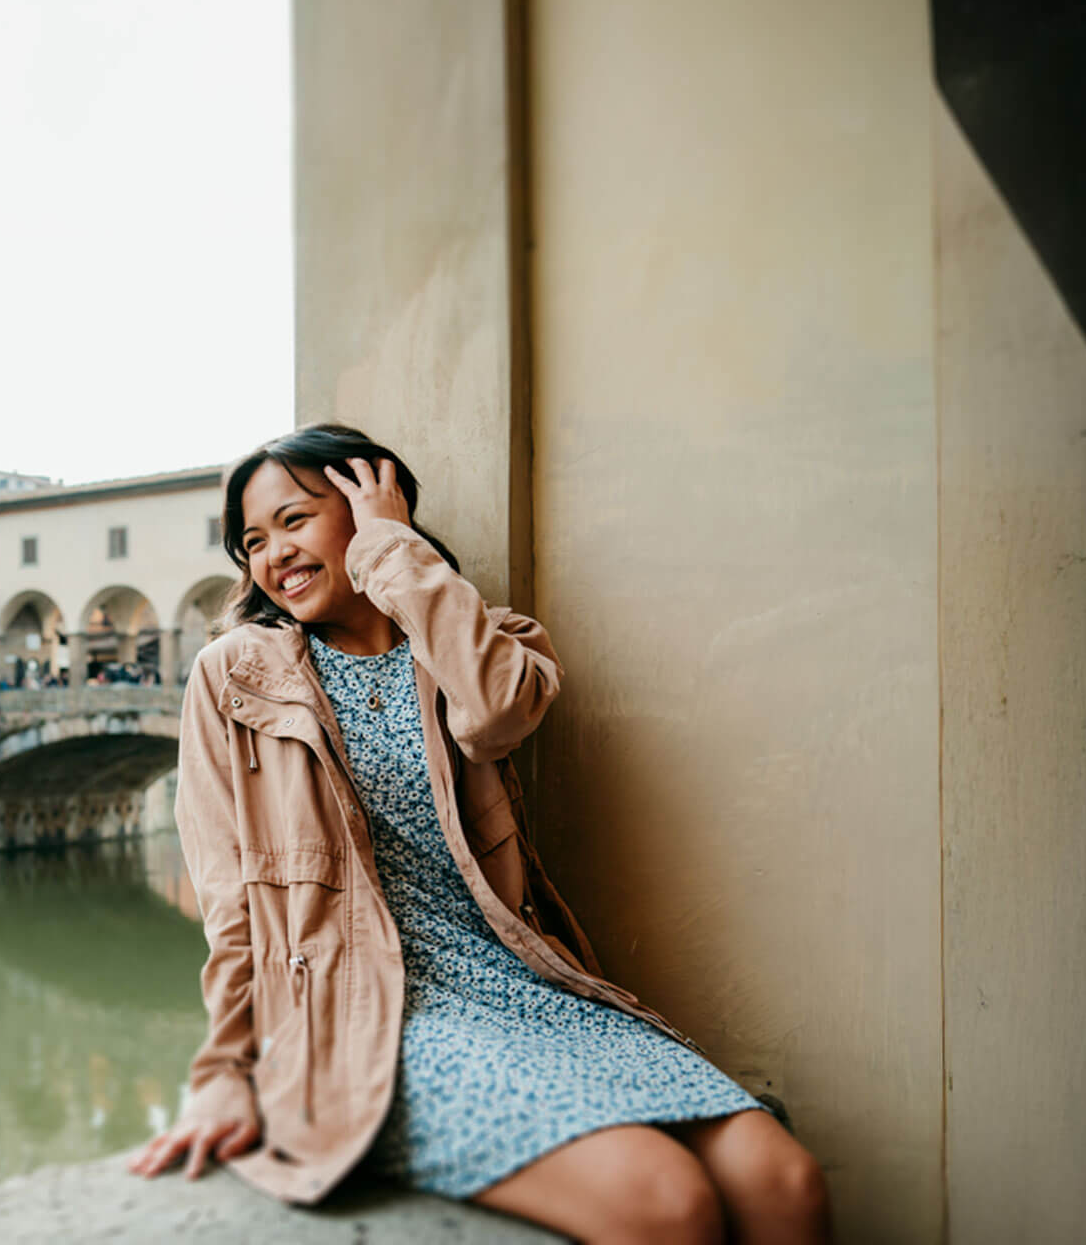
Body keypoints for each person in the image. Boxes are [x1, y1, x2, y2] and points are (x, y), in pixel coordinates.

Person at [127, 424, 830, 1243]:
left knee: (785, 1182)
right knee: (665, 1204)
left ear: (369, 504)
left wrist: (391, 549)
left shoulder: (483, 642)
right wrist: (223, 1072)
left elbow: (496, 713)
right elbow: (231, 904)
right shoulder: (235, 675)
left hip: (525, 984)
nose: (273, 552)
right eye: (251, 540)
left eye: (295, 519)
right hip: (374, 1018)